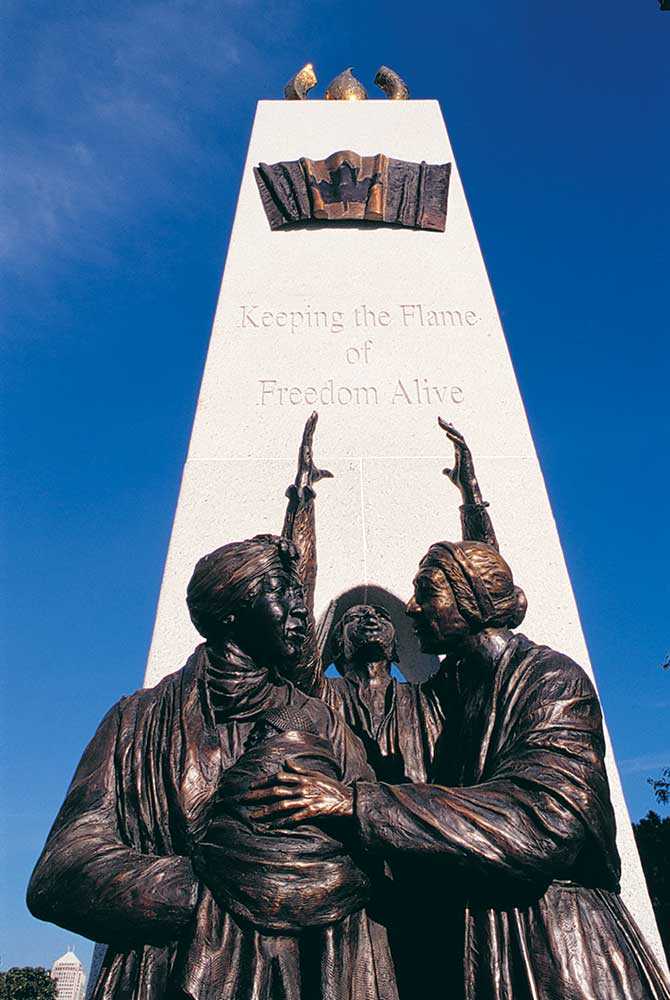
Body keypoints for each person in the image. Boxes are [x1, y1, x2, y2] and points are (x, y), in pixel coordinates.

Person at [243, 424, 670, 1000]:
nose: (405, 608)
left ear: (472, 603)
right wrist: (302, 505)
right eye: (352, 620)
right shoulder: (342, 697)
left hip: (558, 945)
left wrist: (476, 505)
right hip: (467, 932)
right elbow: (293, 634)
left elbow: (545, 821)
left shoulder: (533, 682)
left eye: (426, 593)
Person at [27, 533, 399, 1000]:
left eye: (299, 594)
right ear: (231, 609)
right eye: (280, 591)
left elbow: (373, 850)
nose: (301, 608)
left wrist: (305, 882)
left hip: (303, 971)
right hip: (167, 974)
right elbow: (61, 870)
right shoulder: (135, 720)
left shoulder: (321, 720)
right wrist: (214, 888)